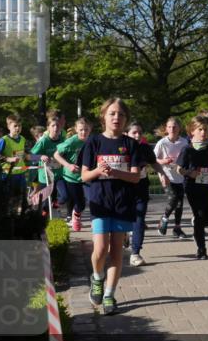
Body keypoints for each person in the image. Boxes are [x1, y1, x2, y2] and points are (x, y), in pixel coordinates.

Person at [81, 98, 144, 316]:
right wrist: (99, 171)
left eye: (121, 114)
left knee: (117, 250)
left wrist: (116, 173)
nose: (116, 118)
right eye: (112, 113)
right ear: (104, 117)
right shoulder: (93, 142)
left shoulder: (131, 144)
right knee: (100, 250)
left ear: (126, 119)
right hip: (100, 201)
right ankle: (97, 278)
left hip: (122, 203)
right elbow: (84, 175)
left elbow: (136, 177)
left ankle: (109, 294)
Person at [177, 116, 208, 260]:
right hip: (192, 187)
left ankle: (204, 225)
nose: (203, 132)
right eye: (200, 129)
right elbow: (179, 169)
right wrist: (190, 173)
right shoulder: (188, 149)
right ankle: (201, 248)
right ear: (192, 131)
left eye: (206, 130)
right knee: (199, 216)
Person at [126, 120, 158, 267]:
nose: (138, 135)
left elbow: (154, 162)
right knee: (126, 217)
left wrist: (163, 175)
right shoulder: (122, 147)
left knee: (139, 218)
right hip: (124, 188)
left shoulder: (145, 148)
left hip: (141, 187)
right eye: (134, 132)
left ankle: (135, 253)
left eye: (140, 132)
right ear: (127, 133)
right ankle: (126, 234)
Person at [55, 117, 92, 231]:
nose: (83, 132)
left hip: (86, 176)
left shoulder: (92, 141)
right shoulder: (72, 141)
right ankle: (74, 216)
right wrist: (68, 165)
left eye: (86, 129)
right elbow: (56, 155)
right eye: (81, 129)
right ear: (76, 129)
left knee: (91, 199)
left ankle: (76, 215)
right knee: (79, 202)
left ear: (90, 130)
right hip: (71, 177)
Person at [154, 117, 189, 239]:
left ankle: (177, 228)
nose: (172, 129)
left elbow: (187, 157)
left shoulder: (184, 142)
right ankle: (163, 219)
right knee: (173, 198)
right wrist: (163, 161)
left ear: (179, 128)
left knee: (179, 203)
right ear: (166, 129)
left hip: (180, 176)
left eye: (174, 127)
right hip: (167, 176)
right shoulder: (162, 143)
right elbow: (153, 159)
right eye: (169, 127)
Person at [30, 113, 67, 218]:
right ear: (48, 128)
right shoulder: (44, 141)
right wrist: (40, 156)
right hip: (45, 177)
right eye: (53, 126)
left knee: (64, 196)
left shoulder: (63, 140)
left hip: (58, 175)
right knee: (45, 206)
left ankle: (55, 204)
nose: (56, 128)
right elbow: (30, 156)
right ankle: (42, 221)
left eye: (58, 126)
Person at [0, 114, 28, 214]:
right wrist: (8, 159)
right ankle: (6, 217)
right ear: (8, 126)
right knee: (8, 199)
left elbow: (23, 154)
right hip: (7, 174)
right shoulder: (4, 140)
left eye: (20, 125)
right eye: (15, 126)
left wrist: (37, 157)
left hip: (21, 173)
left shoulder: (23, 139)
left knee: (22, 198)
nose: (18, 128)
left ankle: (21, 218)